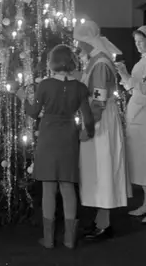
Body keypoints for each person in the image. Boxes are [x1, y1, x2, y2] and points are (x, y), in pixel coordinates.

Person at [17, 45, 95, 250]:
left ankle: (48, 239)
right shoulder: (80, 87)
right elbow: (88, 119)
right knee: (68, 187)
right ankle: (69, 239)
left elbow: (33, 112)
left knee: (49, 188)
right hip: (69, 136)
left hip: (48, 137)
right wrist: (89, 133)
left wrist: (23, 99)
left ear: (52, 62)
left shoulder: (45, 85)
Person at [74, 20, 130, 241]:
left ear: (87, 40)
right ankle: (100, 219)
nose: (78, 46)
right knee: (98, 169)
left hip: (101, 120)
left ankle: (104, 224)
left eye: (79, 41)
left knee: (102, 168)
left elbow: (99, 99)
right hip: (98, 118)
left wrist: (90, 126)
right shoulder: (96, 60)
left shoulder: (100, 64)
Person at [115, 26, 146, 223]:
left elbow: (144, 88)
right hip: (137, 111)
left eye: (141, 41)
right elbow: (131, 87)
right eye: (135, 42)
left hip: (144, 113)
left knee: (145, 158)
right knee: (139, 158)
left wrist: (129, 76)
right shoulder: (144, 61)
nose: (137, 45)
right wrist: (123, 73)